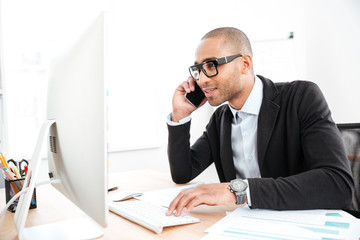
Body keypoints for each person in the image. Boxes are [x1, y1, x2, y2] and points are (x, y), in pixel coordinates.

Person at [166, 27, 354, 217]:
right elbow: (183, 173)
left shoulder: (301, 97)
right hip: (245, 224)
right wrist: (180, 115)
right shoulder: (220, 118)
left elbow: (337, 184)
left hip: (302, 223)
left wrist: (237, 191)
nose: (202, 79)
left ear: (245, 64)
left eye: (211, 65)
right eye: (198, 69)